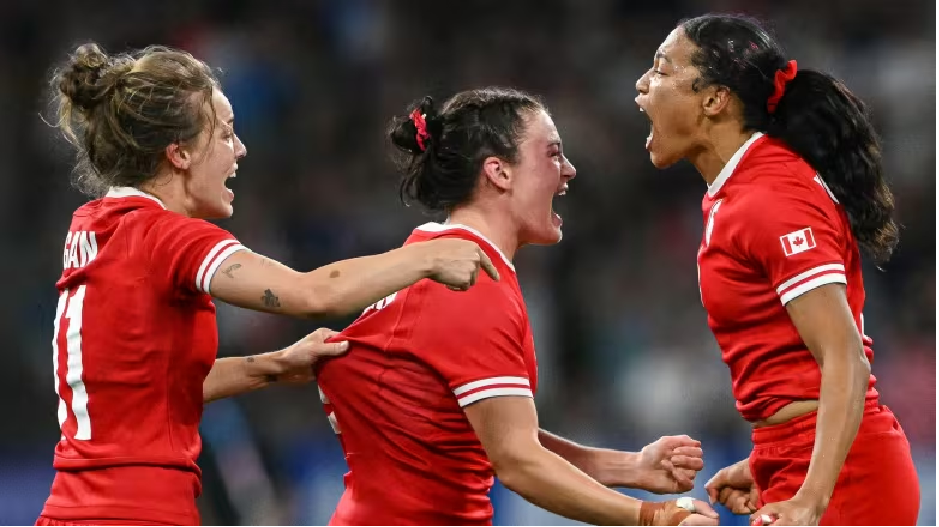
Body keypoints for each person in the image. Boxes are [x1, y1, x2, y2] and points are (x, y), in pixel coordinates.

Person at [39, 43, 500, 526]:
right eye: (225, 134)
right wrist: (425, 256)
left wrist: (273, 366)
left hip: (70, 511)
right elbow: (311, 294)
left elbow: (147, 391)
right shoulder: (167, 238)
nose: (239, 149)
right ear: (179, 154)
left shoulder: (92, 226)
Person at [315, 88, 719, 526]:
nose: (569, 170)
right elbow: (516, 461)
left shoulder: (432, 257)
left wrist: (628, 468)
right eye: (552, 154)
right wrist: (651, 517)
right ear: (499, 172)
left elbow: (483, 434)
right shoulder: (470, 286)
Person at [634, 13, 919, 526]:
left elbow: (844, 357)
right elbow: (792, 365)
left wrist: (811, 497)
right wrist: (768, 460)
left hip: (847, 479)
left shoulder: (771, 196)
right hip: (799, 460)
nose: (642, 86)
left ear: (714, 99)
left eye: (660, 70)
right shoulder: (742, 188)